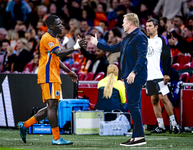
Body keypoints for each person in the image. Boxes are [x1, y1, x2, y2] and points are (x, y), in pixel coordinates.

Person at [18, 15, 86, 145]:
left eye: (61, 23)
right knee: (52, 107)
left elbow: (56, 59)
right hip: (48, 76)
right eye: (58, 24)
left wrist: (69, 72)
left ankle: (25, 125)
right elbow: (59, 53)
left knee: (52, 106)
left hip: (52, 76)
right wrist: (75, 47)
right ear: (51, 26)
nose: (61, 26)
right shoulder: (48, 38)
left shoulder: (53, 39)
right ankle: (56, 138)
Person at [91, 13, 147, 146]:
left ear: (130, 23)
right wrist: (97, 43)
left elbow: (142, 57)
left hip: (135, 76)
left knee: (134, 106)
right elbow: (112, 48)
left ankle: (139, 137)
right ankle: (137, 136)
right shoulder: (128, 38)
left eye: (124, 22)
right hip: (129, 76)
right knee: (134, 106)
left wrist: (134, 72)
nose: (122, 24)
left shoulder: (140, 37)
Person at [145, 18, 181, 134]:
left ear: (156, 27)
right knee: (154, 99)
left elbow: (167, 57)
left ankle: (174, 124)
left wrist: (166, 74)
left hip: (160, 74)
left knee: (163, 98)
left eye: (150, 25)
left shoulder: (162, 39)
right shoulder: (144, 41)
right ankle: (160, 125)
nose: (148, 27)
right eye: (147, 26)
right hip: (149, 76)